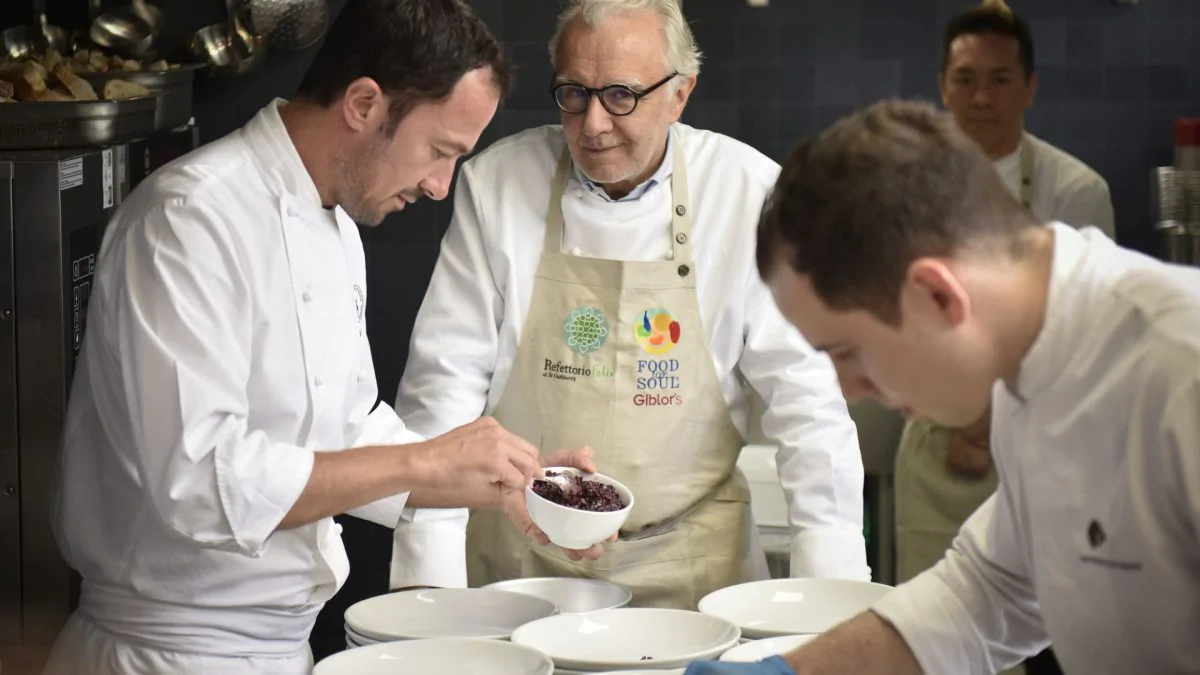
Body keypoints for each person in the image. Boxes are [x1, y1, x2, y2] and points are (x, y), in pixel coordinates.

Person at [43, 2, 598, 674]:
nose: (438, 184)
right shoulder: (190, 220)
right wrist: (422, 464)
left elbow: (343, 433)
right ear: (364, 103)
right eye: (439, 151)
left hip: (282, 648)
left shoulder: (336, 224)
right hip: (166, 653)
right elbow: (198, 477)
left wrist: (505, 481)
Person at [684, 99, 1200, 674]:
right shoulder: (1024, 367)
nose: (849, 391)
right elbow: (987, 592)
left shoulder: (1183, 371)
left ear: (937, 295)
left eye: (848, 353)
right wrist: (797, 672)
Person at [388, 0, 870, 609]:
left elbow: (809, 408)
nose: (592, 124)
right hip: (520, 569)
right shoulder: (498, 185)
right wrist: (427, 594)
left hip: (696, 577)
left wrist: (833, 601)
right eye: (573, 93)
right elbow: (443, 390)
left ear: (681, 94)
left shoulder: (749, 195)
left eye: (621, 95)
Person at [895, 7, 1114, 672]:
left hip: (1040, 447)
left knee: (1037, 633)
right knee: (930, 630)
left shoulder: (1075, 191)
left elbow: (1078, 330)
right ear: (942, 84)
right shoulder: (906, 189)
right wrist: (956, 420)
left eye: (999, 78)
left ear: (1030, 87)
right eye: (966, 79)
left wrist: (991, 419)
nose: (982, 96)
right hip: (933, 446)